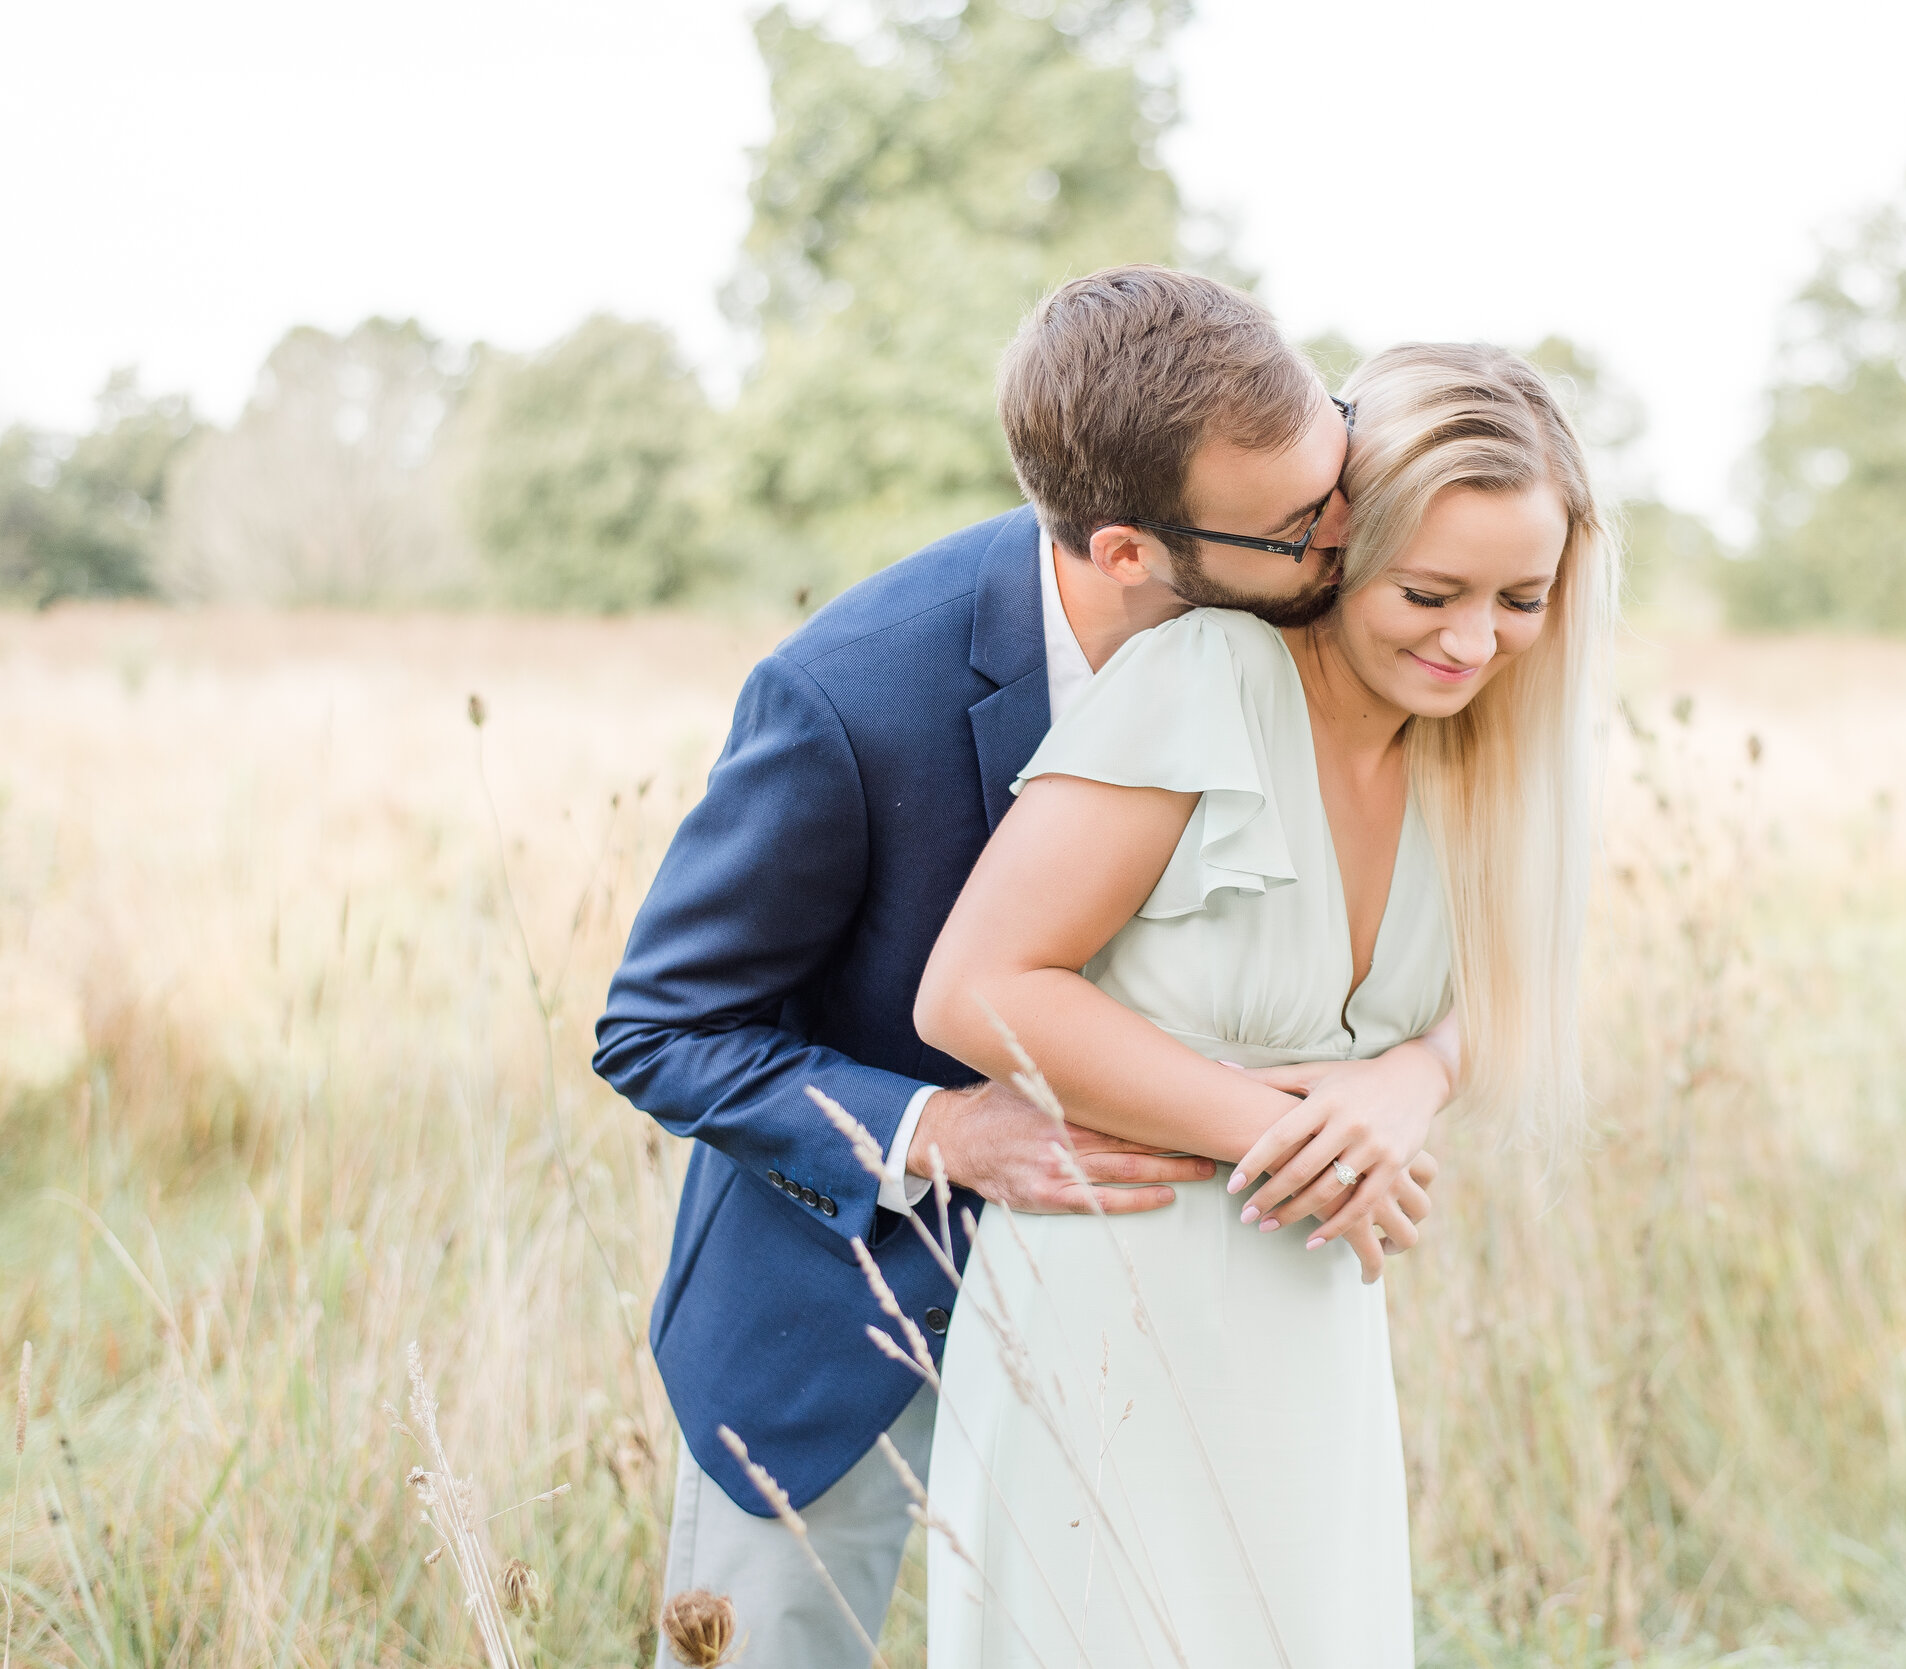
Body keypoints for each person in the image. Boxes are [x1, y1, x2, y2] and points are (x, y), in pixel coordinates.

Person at [593, 266, 1456, 1668]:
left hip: (1151, 1320)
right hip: (843, 1321)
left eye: (1340, 466)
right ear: (1129, 550)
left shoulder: (1315, 645)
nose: (1349, 535)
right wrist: (941, 1128)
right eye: (1305, 522)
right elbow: (661, 1027)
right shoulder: (848, 695)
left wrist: (1417, 1067)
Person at [913, 341, 1613, 1667]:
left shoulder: (1481, 750)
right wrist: (1278, 1131)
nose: (1474, 640)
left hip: (1311, 1317)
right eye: (1431, 590)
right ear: (1339, 550)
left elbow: (1495, 992)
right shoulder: (1208, 682)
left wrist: (1412, 1078)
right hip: (1115, 1298)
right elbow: (978, 989)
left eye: (1522, 598)